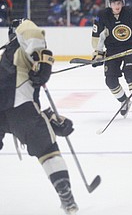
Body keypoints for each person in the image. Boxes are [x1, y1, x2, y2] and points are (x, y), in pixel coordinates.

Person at [0, 19, 78, 214]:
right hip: (20, 110)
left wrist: (49, 118)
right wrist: (44, 61)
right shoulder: (20, 43)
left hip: (10, 110)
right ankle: (66, 196)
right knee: (47, 149)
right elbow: (32, 33)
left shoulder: (7, 58)